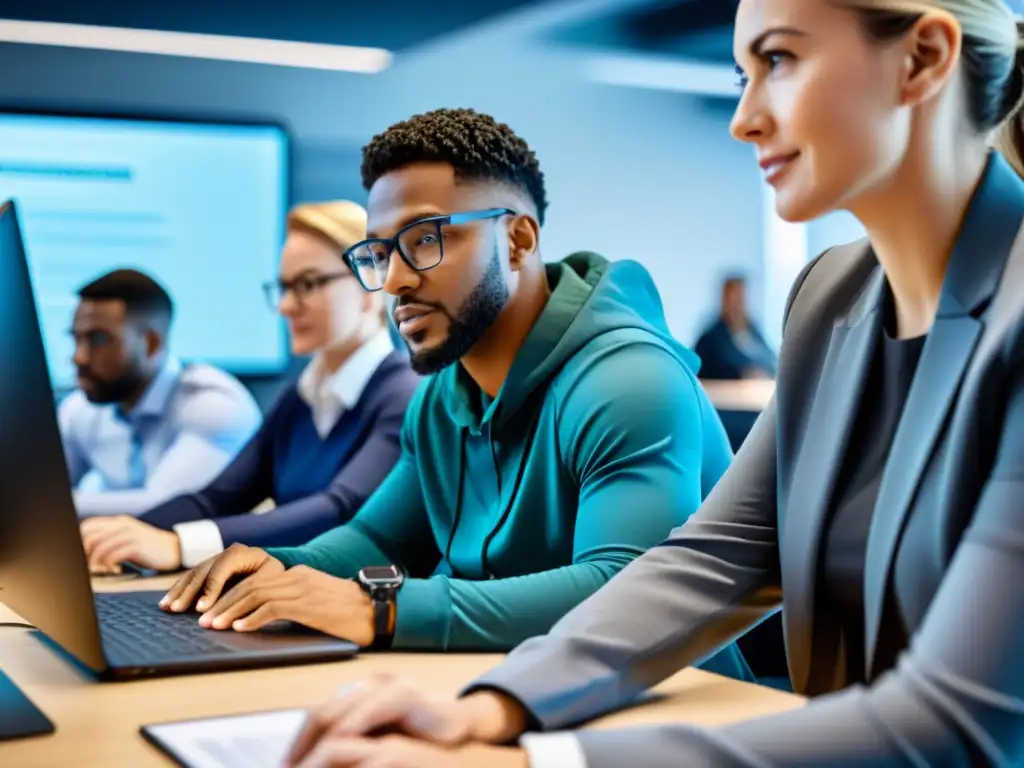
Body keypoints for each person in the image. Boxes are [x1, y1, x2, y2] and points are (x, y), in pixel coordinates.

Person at [277, 1, 1024, 766]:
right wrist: (497, 708)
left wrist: (545, 760)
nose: (744, 119)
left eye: (780, 62)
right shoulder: (831, 296)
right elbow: (716, 556)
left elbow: (966, 721)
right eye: (742, 75)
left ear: (924, 58)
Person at [159, 108, 750, 682]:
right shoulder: (442, 395)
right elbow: (380, 539)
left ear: (517, 240)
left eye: (422, 240)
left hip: (669, 704)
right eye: (381, 253)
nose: (393, 281)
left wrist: (378, 609)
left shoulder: (629, 381)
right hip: (513, 688)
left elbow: (624, 586)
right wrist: (278, 568)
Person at [79, 201, 419, 574]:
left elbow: (340, 510)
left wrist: (178, 545)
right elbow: (217, 499)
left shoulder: (404, 397)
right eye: (284, 287)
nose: (287, 306)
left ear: (368, 285)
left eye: (307, 284)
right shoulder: (299, 399)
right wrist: (131, 532)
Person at [58, 269, 261, 518]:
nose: (78, 357)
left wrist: (53, 505)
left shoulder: (214, 405)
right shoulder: (78, 409)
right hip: (115, 550)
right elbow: (36, 493)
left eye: (98, 340)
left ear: (152, 343)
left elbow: (168, 508)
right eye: (75, 339)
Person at [693, 274, 776, 379]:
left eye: (740, 299)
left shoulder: (753, 331)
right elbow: (711, 368)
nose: (737, 306)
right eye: (733, 300)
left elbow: (771, 359)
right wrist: (743, 373)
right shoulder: (710, 338)